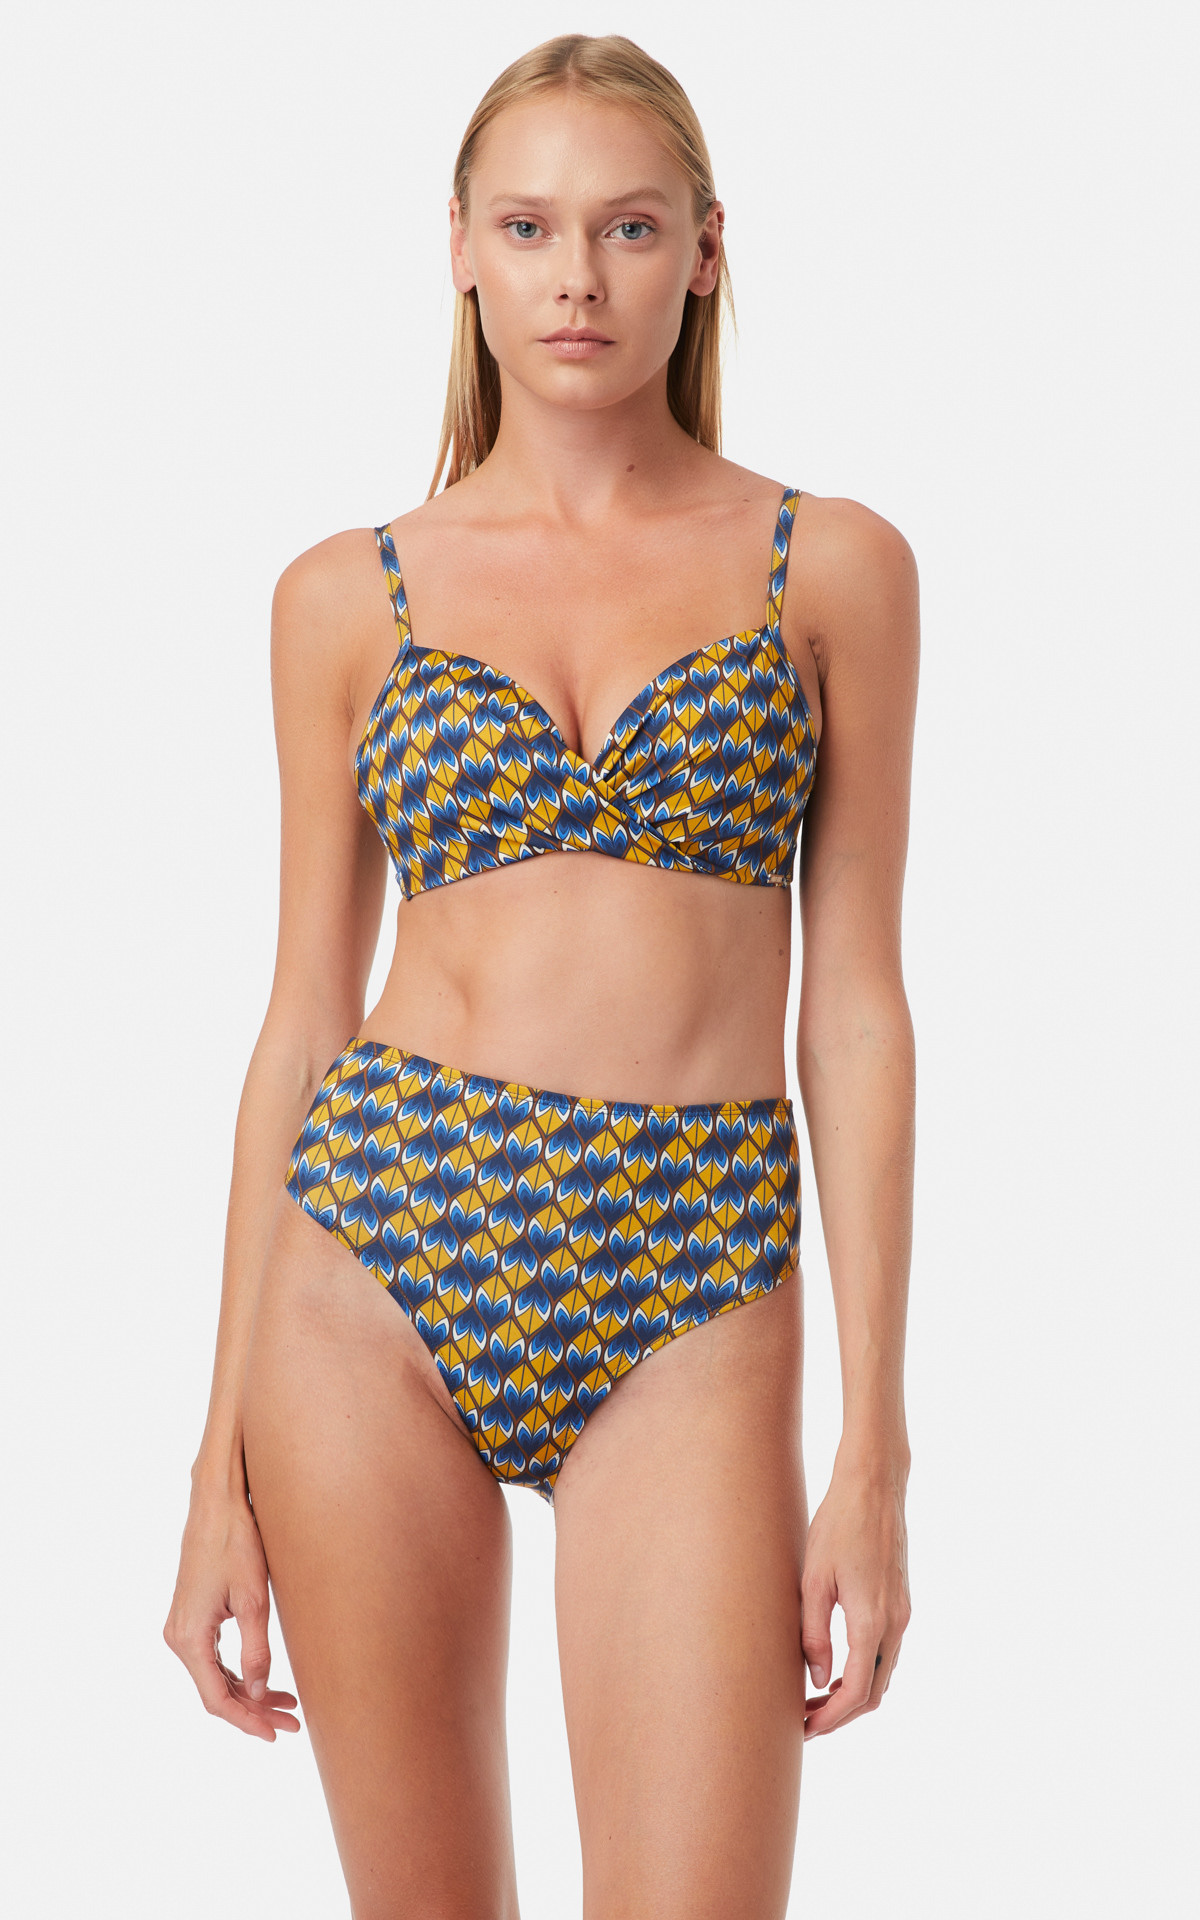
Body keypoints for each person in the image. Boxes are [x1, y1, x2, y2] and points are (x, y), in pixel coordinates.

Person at [164, 31, 917, 1919]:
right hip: (379, 1250)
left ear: (708, 250)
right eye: (529, 227)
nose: (577, 276)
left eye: (629, 227)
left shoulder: (832, 567)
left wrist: (877, 1447)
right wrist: (210, 1463)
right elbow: (299, 1017)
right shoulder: (345, 596)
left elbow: (856, 1006)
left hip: (695, 1267)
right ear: (461, 251)